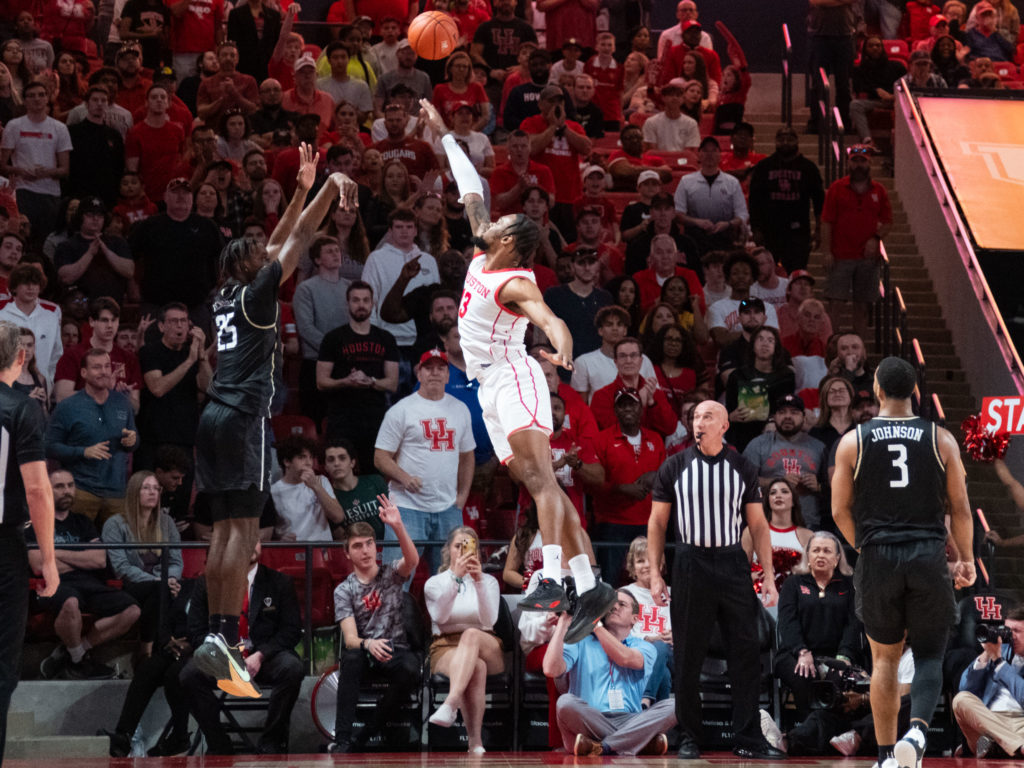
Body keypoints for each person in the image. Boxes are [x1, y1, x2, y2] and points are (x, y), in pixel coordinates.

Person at [421, 97, 615, 640]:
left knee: (540, 478)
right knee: (533, 481)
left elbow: (550, 320)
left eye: (500, 222)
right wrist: (444, 136)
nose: (490, 219)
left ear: (509, 240)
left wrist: (565, 348)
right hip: (488, 385)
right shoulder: (487, 251)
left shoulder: (516, 281)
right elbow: (472, 189)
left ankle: (553, 575)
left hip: (515, 374)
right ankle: (589, 581)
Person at [190, 144, 358, 699]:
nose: (269, 255)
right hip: (242, 419)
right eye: (259, 254)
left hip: (211, 414)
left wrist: (302, 186)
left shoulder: (222, 295)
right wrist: (327, 188)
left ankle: (215, 636)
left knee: (221, 531)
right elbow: (299, 238)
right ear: (250, 266)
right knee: (241, 531)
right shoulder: (260, 292)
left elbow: (280, 237)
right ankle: (230, 642)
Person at [832, 356, 976, 768]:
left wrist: (868, 545)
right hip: (928, 554)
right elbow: (962, 509)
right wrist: (964, 558)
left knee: (884, 660)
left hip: (878, 555)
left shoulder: (853, 440)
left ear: (877, 389)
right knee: (930, 654)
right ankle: (917, 732)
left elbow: (840, 510)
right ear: (914, 391)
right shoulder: (940, 438)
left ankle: (884, 757)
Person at [646, 399, 785, 760]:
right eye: (695, 417)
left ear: (724, 425)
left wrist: (768, 575)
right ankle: (689, 736)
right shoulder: (675, 466)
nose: (699, 422)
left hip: (731, 562)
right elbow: (657, 523)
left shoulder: (741, 466)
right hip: (690, 562)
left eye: (708, 416)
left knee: (745, 652)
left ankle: (748, 737)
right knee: (688, 654)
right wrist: (657, 573)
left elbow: (757, 524)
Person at [181, 540, 304, 755]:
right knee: (189, 675)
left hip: (264, 658)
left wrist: (261, 655)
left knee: (292, 668)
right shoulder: (207, 584)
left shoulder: (279, 582)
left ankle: (271, 741)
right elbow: (196, 632)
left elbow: (291, 630)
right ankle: (219, 743)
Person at [0, 321, 58, 765]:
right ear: (21, 358)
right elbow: (38, 491)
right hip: (4, 547)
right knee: (2, 669)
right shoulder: (21, 408)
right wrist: (50, 562)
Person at [32, 469, 140, 681]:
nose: (67, 491)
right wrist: (81, 558)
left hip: (90, 584)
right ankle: (79, 661)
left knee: (133, 611)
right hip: (55, 585)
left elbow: (98, 560)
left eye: (71, 486)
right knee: (71, 602)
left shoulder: (83, 522)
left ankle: (74, 652)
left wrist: (53, 552)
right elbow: (38, 565)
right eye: (60, 486)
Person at [374, 349, 475, 571]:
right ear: (419, 374)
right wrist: (404, 478)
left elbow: (467, 455)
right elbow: (380, 457)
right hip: (407, 507)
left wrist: (462, 496)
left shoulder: (460, 410)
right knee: (396, 579)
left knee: (452, 581)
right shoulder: (401, 410)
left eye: (441, 368)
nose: (435, 373)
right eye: (429, 368)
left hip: (448, 507)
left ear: (448, 375)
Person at [331, 507, 421, 753]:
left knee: (412, 669)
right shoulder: (344, 590)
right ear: (347, 553)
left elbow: (412, 561)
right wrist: (368, 644)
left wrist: (398, 526)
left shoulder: (390, 573)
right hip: (365, 650)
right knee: (350, 658)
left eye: (369, 543)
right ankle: (342, 740)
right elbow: (350, 639)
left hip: (395, 649)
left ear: (376, 546)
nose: (365, 550)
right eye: (358, 546)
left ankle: (364, 736)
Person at [542, 589, 675, 756]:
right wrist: (563, 623)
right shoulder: (580, 641)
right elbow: (550, 669)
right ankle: (636, 742)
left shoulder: (644, 647)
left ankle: (601, 746)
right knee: (565, 702)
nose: (614, 607)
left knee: (675, 706)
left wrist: (595, 625)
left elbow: (625, 658)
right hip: (590, 719)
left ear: (635, 618)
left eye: (622, 604)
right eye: (610, 603)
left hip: (629, 718)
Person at [424, 526, 504, 754]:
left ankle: (450, 703)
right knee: (475, 667)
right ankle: (475, 742)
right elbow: (439, 617)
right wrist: (456, 579)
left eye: (469, 546)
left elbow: (490, 620)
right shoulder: (435, 583)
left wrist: (477, 581)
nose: (463, 551)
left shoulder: (489, 581)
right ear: (448, 550)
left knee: (471, 635)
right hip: (446, 644)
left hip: (486, 641)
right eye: (458, 546)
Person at [46, 349, 139, 526]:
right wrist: (83, 452)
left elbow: (134, 440)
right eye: (97, 367)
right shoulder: (68, 407)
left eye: (106, 366)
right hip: (81, 490)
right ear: (83, 373)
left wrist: (133, 441)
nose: (104, 371)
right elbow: (49, 446)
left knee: (118, 550)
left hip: (117, 492)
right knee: (77, 546)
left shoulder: (122, 402)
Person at [774, 531, 860, 720]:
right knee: (804, 673)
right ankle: (811, 729)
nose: (821, 555)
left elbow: (853, 625)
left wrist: (844, 657)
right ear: (808, 556)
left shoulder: (848, 586)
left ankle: (820, 732)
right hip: (794, 653)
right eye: (816, 550)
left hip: (835, 654)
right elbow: (788, 623)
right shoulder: (793, 583)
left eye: (827, 551)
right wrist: (802, 652)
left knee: (841, 679)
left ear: (837, 558)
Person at [317, 281, 400, 472]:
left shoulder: (385, 338)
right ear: (347, 304)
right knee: (341, 474)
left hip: (375, 418)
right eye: (355, 300)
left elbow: (392, 383)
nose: (361, 305)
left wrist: (370, 381)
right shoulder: (333, 338)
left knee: (374, 473)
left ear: (373, 304)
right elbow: (321, 381)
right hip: (341, 418)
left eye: (365, 300)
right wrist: (346, 381)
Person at [101, 471, 183, 657]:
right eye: (146, 488)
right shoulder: (115, 524)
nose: (152, 492)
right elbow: (121, 567)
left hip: (162, 583)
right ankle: (149, 650)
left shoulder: (167, 523)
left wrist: (170, 578)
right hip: (129, 584)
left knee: (190, 588)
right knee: (159, 590)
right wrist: (158, 580)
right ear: (133, 492)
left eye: (156, 488)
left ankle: (169, 648)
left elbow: (176, 561)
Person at [591, 388, 667, 581]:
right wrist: (620, 488)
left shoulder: (656, 439)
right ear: (615, 410)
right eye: (622, 405)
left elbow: (668, 480)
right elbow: (592, 483)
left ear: (641, 409)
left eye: (632, 404)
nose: (627, 409)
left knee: (650, 577)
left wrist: (655, 476)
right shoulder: (602, 440)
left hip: (648, 521)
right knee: (610, 578)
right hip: (612, 523)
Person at [821, 144, 892, 342]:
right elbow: (826, 221)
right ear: (848, 163)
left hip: (867, 258)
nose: (858, 165)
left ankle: (858, 347)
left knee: (862, 305)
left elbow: (887, 221)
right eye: (855, 161)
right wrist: (826, 252)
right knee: (836, 302)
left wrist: (876, 238)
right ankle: (832, 345)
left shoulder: (879, 190)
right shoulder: (836, 189)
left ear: (870, 163)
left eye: (863, 161)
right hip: (840, 255)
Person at [0, 81, 72, 247]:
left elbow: (65, 169)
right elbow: (2, 166)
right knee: (22, 239)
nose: (37, 99)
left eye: (41, 95)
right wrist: (22, 171)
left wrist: (45, 172)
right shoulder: (14, 126)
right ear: (24, 101)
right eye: (31, 96)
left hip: (50, 193)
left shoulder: (59, 128)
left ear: (47, 98)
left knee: (45, 242)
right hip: (23, 191)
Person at [749, 127, 825, 274]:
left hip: (798, 232)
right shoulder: (764, 167)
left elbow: (819, 201)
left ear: (797, 141)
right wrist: (756, 228)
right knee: (765, 273)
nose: (785, 142)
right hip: (769, 231)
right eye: (781, 139)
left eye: (789, 139)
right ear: (776, 142)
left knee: (797, 274)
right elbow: (754, 201)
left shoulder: (808, 168)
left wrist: (819, 229)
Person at [743, 393, 827, 527]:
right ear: (774, 417)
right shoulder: (758, 444)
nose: (788, 416)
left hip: (809, 523)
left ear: (804, 418)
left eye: (794, 412)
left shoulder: (819, 447)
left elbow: (833, 486)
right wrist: (777, 482)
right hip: (767, 523)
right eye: (782, 412)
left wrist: (818, 486)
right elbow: (744, 482)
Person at [953, 604, 1024, 758]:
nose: (1010, 636)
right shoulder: (1000, 650)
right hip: (987, 722)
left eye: (1016, 631)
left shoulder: (999, 656)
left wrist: (999, 662)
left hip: (1020, 723)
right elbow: (965, 687)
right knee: (960, 700)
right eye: (1007, 630)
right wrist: (986, 655)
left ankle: (997, 747)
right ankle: (1015, 748)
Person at [741, 477, 814, 590]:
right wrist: (752, 577)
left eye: (784, 491)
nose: (778, 495)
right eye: (773, 493)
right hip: (759, 600)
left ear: (794, 500)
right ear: (768, 500)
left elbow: (815, 577)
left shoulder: (808, 536)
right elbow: (739, 573)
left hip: (794, 602)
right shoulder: (752, 531)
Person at [0, 264, 62, 386]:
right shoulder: (2, 316)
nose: (30, 287)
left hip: (41, 386)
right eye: (25, 283)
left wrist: (48, 380)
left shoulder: (51, 318)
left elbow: (56, 355)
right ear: (14, 287)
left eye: (34, 283)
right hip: (6, 387)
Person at [270, 435, 341, 541]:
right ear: (287, 462)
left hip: (322, 550)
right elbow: (270, 531)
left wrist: (316, 487)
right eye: (302, 457)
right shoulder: (273, 492)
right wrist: (278, 538)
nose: (309, 463)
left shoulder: (321, 481)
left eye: (311, 457)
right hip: (292, 550)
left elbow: (338, 517)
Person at [324, 439, 388, 541]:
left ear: (352, 462)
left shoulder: (375, 481)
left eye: (342, 458)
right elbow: (340, 536)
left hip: (388, 547)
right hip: (357, 552)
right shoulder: (328, 499)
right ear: (326, 467)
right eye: (331, 460)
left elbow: (395, 517)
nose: (336, 463)